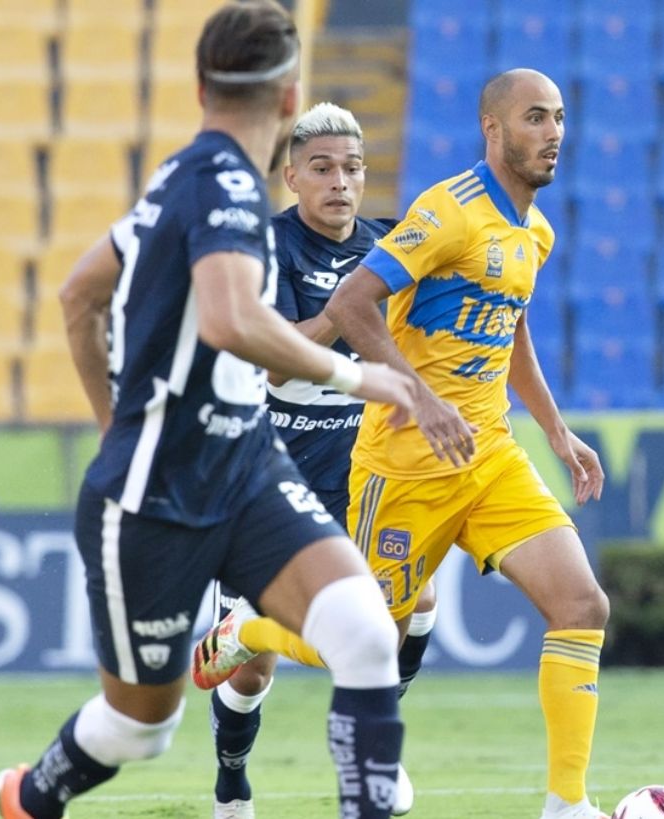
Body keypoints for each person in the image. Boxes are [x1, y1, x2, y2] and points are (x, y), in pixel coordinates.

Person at [0, 4, 418, 818]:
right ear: (289, 98)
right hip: (159, 495)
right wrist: (359, 376)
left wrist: (113, 421)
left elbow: (79, 294)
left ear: (199, 88)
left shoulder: (181, 176)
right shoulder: (223, 184)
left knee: (365, 631)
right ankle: (32, 794)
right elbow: (229, 319)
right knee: (137, 727)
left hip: (248, 470)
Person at [191, 68, 612, 819]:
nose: (553, 132)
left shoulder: (535, 232)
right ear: (493, 129)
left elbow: (511, 325)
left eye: (558, 118)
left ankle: (568, 804)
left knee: (582, 602)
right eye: (535, 118)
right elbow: (352, 304)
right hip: (405, 462)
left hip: (489, 453)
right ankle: (248, 630)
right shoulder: (447, 212)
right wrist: (418, 396)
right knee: (363, 643)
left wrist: (555, 428)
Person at [205, 101, 433, 819]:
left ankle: (377, 747)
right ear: (293, 177)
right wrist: (352, 302)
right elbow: (278, 361)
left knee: (417, 603)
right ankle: (231, 780)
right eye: (324, 168)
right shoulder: (266, 248)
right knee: (252, 669)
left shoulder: (391, 243)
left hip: (363, 473)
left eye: (353, 168)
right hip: (270, 478)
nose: (341, 182)